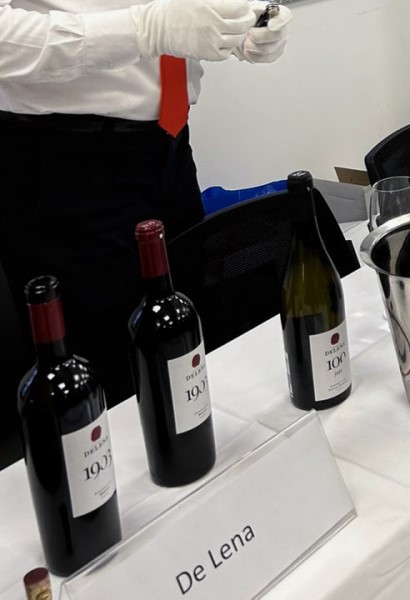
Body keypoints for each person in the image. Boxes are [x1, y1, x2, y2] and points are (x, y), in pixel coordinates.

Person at [0, 0, 292, 404]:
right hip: (66, 163)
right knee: (107, 378)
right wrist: (144, 31)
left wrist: (235, 28)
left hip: (169, 145)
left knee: (186, 348)